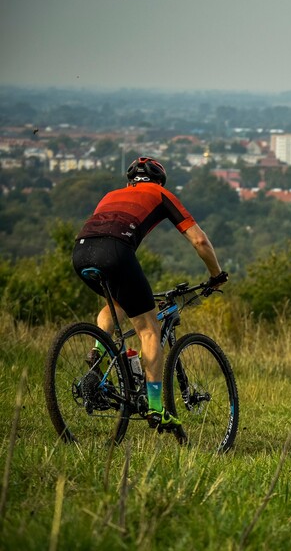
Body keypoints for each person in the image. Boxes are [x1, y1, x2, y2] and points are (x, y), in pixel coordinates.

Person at [72, 157, 228, 434]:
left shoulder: (111, 195)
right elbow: (199, 240)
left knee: (117, 302)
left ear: (130, 181)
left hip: (81, 252)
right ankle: (156, 408)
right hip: (116, 252)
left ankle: (97, 352)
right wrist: (216, 275)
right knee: (148, 329)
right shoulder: (160, 193)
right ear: (158, 181)